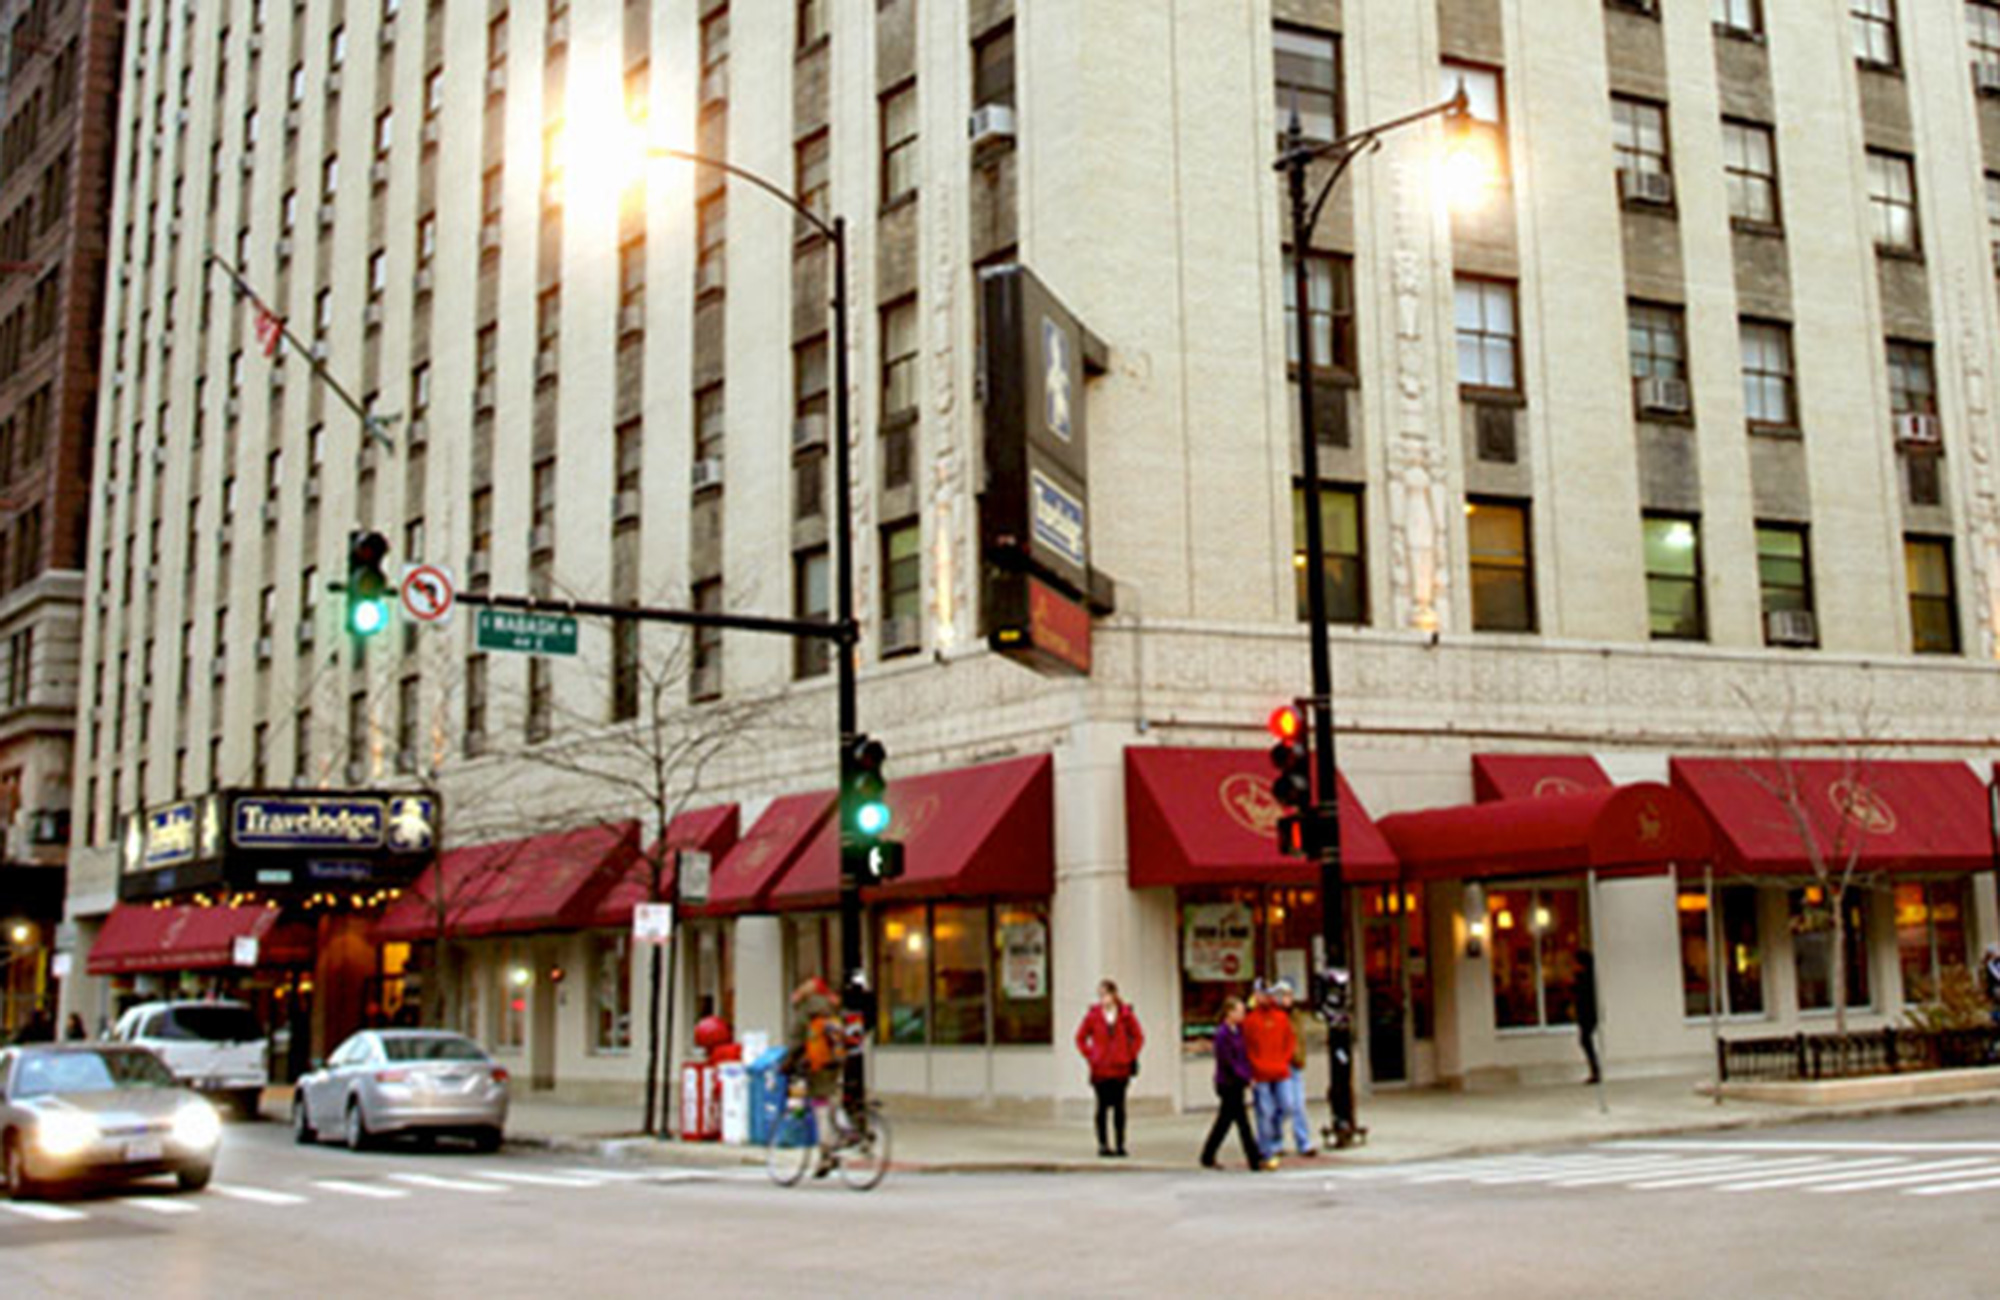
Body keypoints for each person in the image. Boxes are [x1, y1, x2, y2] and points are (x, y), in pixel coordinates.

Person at [1074, 979, 1144, 1158]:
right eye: (1100, 995)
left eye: (1105, 994)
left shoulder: (1125, 1014)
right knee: (1102, 1107)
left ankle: (1120, 1144)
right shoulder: (1093, 1016)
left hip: (1120, 1068)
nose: (1103, 999)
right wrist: (1092, 1055)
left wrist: (1129, 1054)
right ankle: (1103, 1144)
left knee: (1120, 1108)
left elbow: (1138, 1036)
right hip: (1101, 1069)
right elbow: (1080, 1038)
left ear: (1114, 994)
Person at [787, 976, 846, 1178]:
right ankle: (844, 1132)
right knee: (831, 1099)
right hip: (835, 1060)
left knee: (820, 1107)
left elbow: (796, 1040)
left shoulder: (806, 1009)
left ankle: (827, 1151)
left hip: (817, 1062)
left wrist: (787, 1063)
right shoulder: (831, 1006)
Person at [1199, 997, 1264, 1171]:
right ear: (1229, 1013)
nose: (1243, 1014)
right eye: (1239, 1011)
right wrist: (1246, 1078)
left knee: (1225, 1121)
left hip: (1238, 1082)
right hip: (1228, 1083)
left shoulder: (1239, 1031)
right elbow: (1228, 1061)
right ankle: (1254, 1158)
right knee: (1242, 1122)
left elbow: (1243, 1056)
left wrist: (1249, 1073)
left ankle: (1207, 1154)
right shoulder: (1222, 1034)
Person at [1243, 984, 1296, 1170]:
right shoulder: (1250, 1020)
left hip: (1280, 1070)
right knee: (1265, 1112)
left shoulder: (1281, 1018)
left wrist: (1285, 1059)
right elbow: (1246, 1046)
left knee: (1287, 1105)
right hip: (1260, 1073)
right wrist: (1252, 1067)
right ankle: (1267, 1149)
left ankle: (1274, 1138)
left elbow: (1290, 1041)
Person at [1274, 981, 1317, 1157]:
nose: (1288, 999)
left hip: (1295, 1064)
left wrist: (1301, 1056)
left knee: (1299, 1105)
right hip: (1281, 1065)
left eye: (1290, 995)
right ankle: (1274, 1140)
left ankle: (1303, 1142)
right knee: (1286, 1105)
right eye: (1284, 995)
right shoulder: (1275, 1016)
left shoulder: (1296, 1016)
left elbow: (1300, 1039)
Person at [1576, 950, 1602, 1085]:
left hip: (1588, 1014)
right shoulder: (1588, 977)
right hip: (1587, 1014)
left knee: (1585, 1040)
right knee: (1585, 1041)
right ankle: (1595, 1069)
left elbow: (1584, 997)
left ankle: (1595, 1070)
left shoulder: (1586, 978)